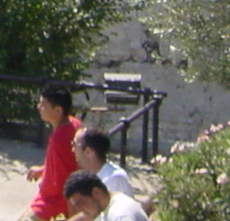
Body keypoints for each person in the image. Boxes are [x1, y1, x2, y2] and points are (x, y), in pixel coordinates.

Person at [24, 84, 83, 220]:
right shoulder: (74, 124)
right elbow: (68, 164)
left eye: (43, 105)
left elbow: (62, 181)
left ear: (58, 110)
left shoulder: (59, 139)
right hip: (55, 198)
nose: (39, 107)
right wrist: (44, 170)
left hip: (53, 201)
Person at [62, 170, 149, 221]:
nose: (79, 209)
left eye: (80, 203)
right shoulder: (105, 209)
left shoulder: (121, 214)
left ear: (96, 193)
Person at [72, 127, 132, 198]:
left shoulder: (114, 179)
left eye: (74, 144)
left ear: (88, 151)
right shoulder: (90, 177)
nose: (73, 150)